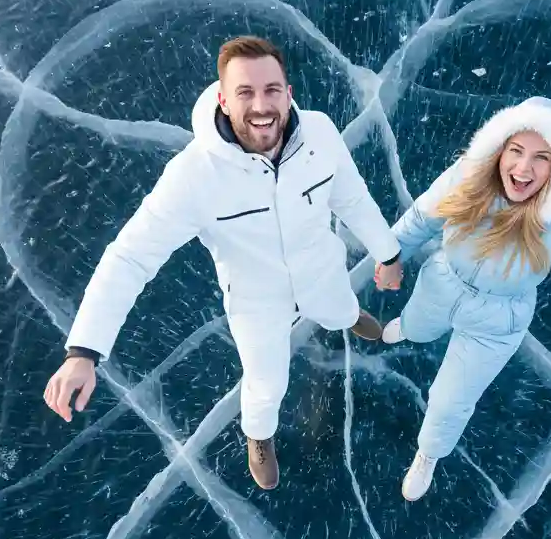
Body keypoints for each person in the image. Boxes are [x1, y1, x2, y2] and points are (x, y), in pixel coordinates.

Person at [43, 36, 404, 490]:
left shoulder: (320, 133)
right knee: (266, 382)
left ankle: (351, 318)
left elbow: (351, 197)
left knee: (338, 308)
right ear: (222, 99)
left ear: (289, 93)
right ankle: (259, 436)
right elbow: (131, 257)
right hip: (257, 301)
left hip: (321, 271)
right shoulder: (195, 175)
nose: (261, 106)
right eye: (245, 93)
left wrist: (387, 253)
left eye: (272, 90)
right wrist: (83, 352)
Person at [373, 96, 551, 502]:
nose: (523, 168)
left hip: (498, 320)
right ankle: (406, 328)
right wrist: (392, 257)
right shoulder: (467, 177)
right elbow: (424, 217)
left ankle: (428, 453)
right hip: (443, 283)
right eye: (516, 151)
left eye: (541, 157)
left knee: (450, 400)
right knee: (419, 326)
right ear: (499, 149)